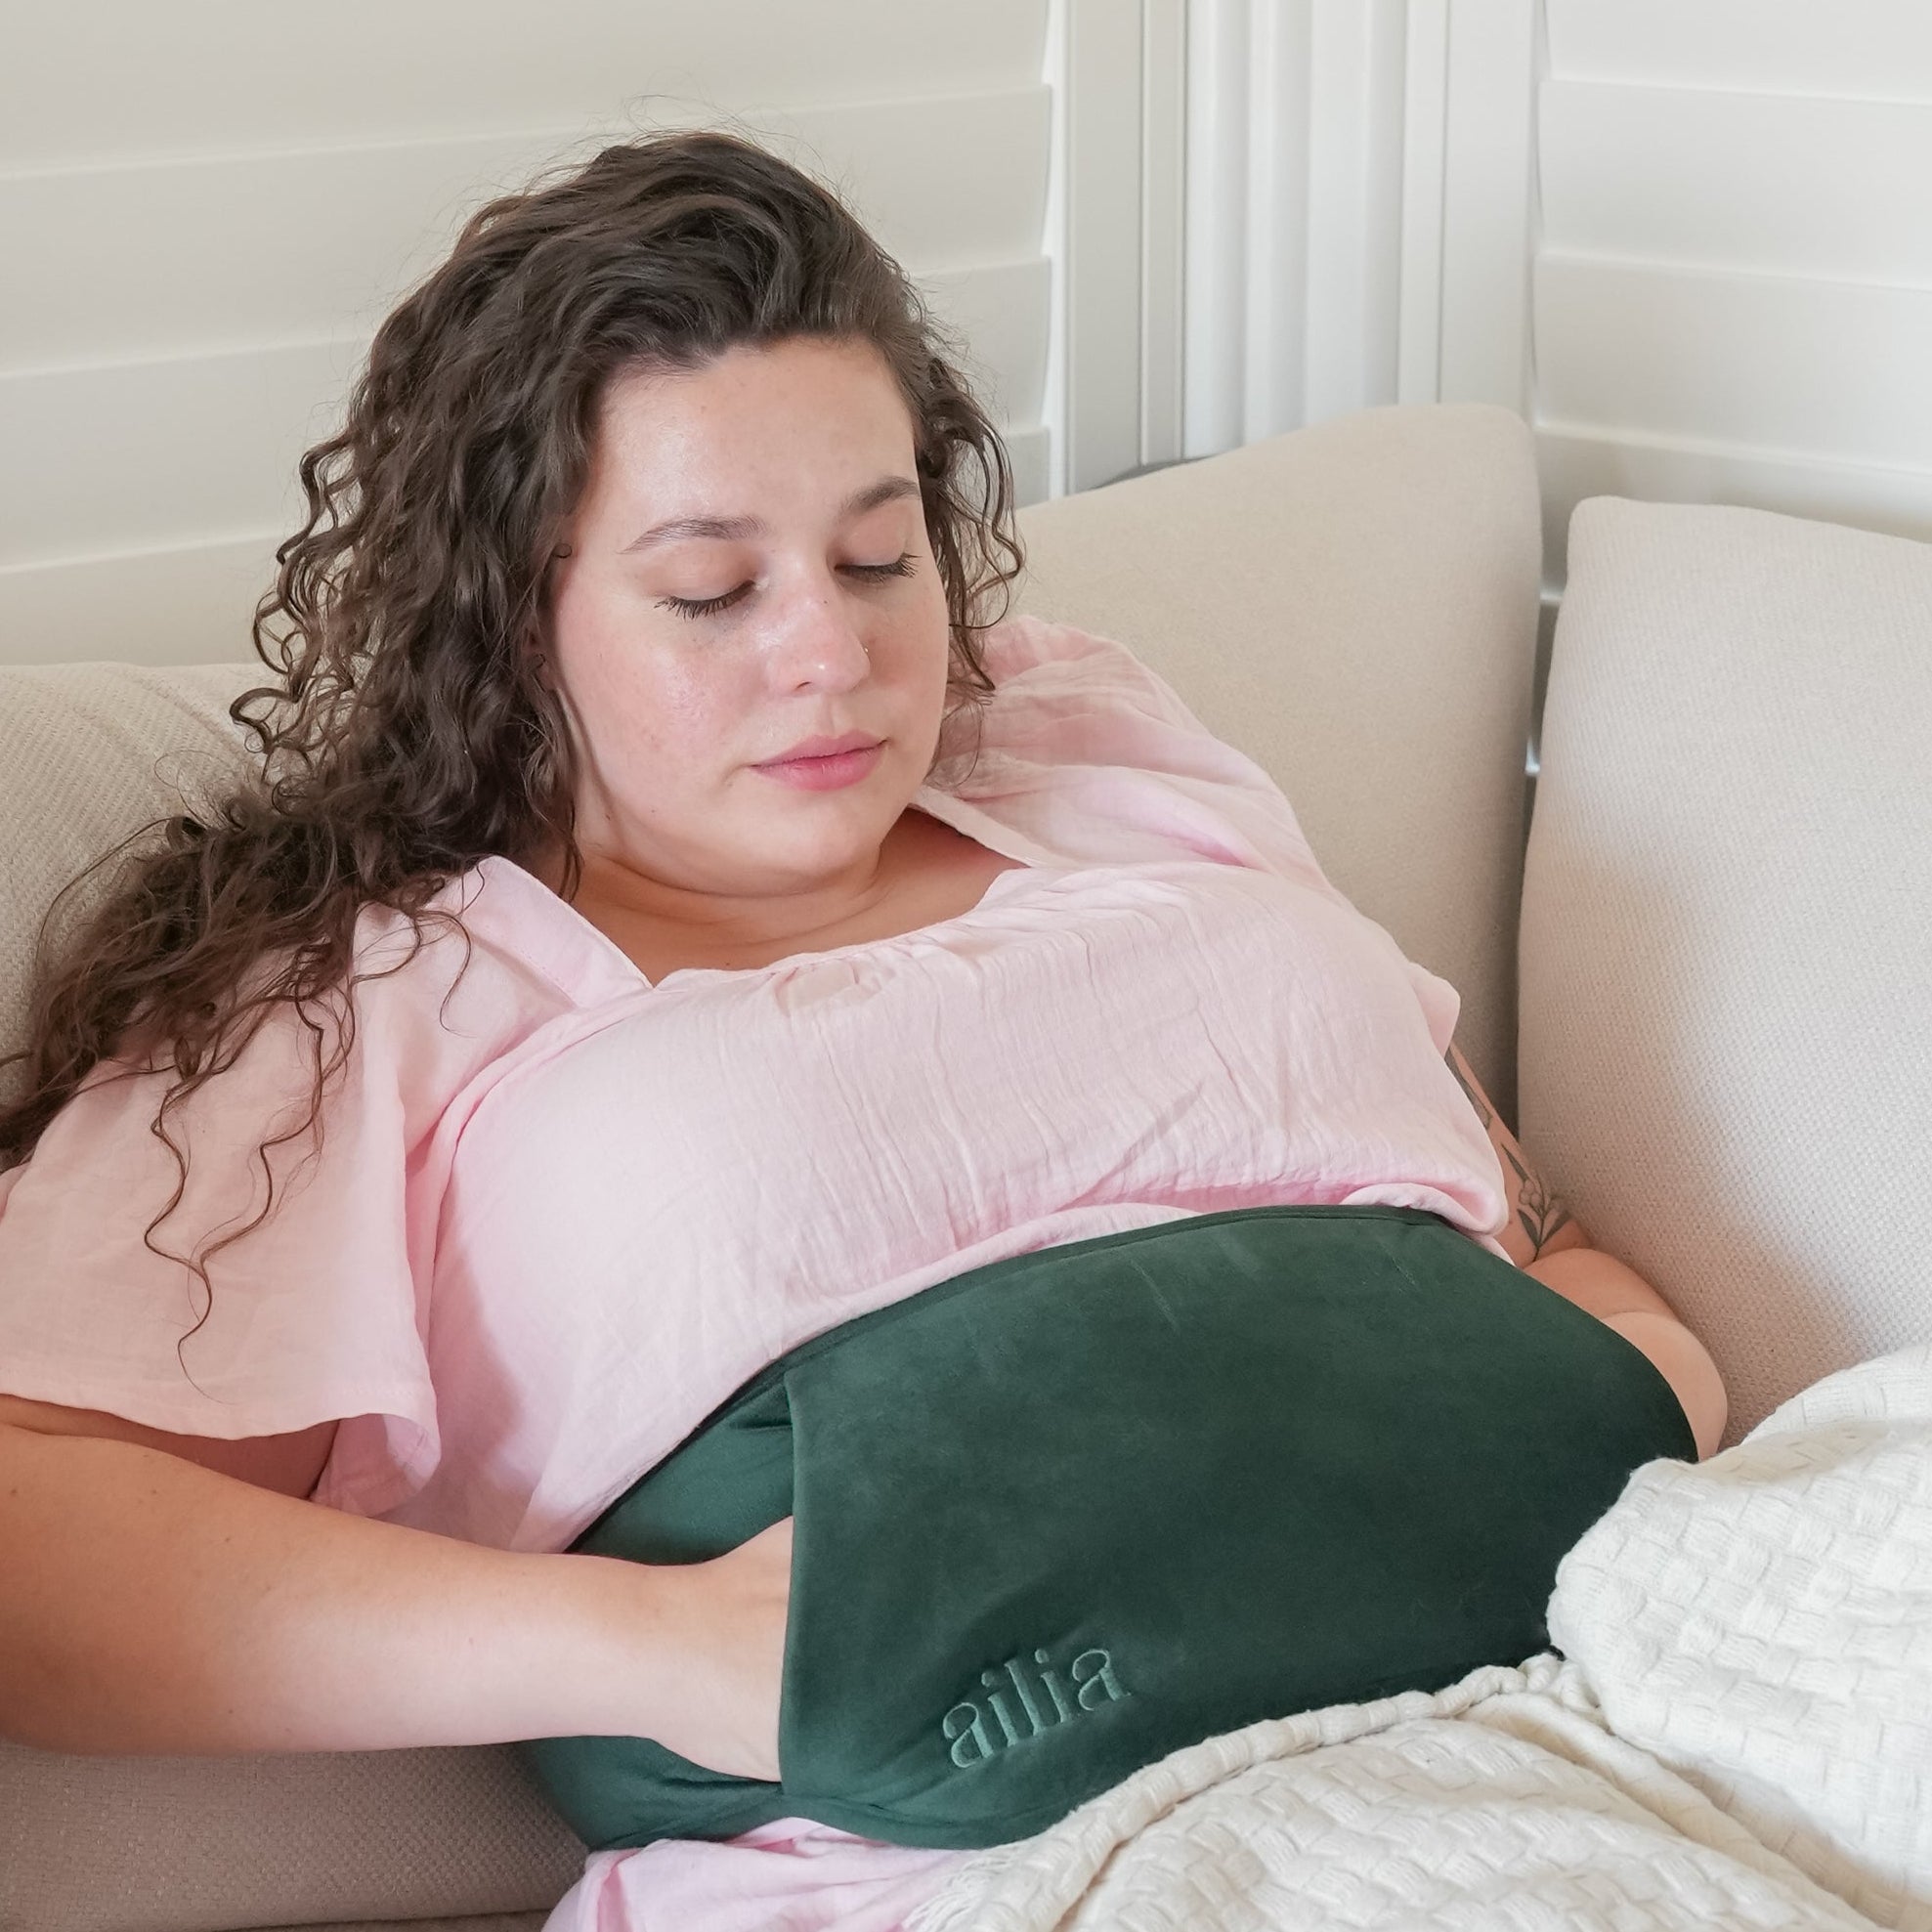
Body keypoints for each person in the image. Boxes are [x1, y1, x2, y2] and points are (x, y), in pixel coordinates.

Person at [0, 130, 1726, 1929]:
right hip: (996, 1860)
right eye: (709, 590)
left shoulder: (1088, 744)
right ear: (515, 621)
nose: (831, 654)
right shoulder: (354, 1009)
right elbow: (29, 1530)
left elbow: (1525, 1224)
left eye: (879, 557)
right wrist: (658, 1644)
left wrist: (1650, 1374)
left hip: (1571, 1689)